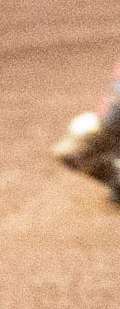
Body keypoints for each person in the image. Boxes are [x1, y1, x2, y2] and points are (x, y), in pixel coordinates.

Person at [53, 54, 120, 202]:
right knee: (73, 149)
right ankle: (116, 181)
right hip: (110, 122)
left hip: (110, 121)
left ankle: (116, 181)